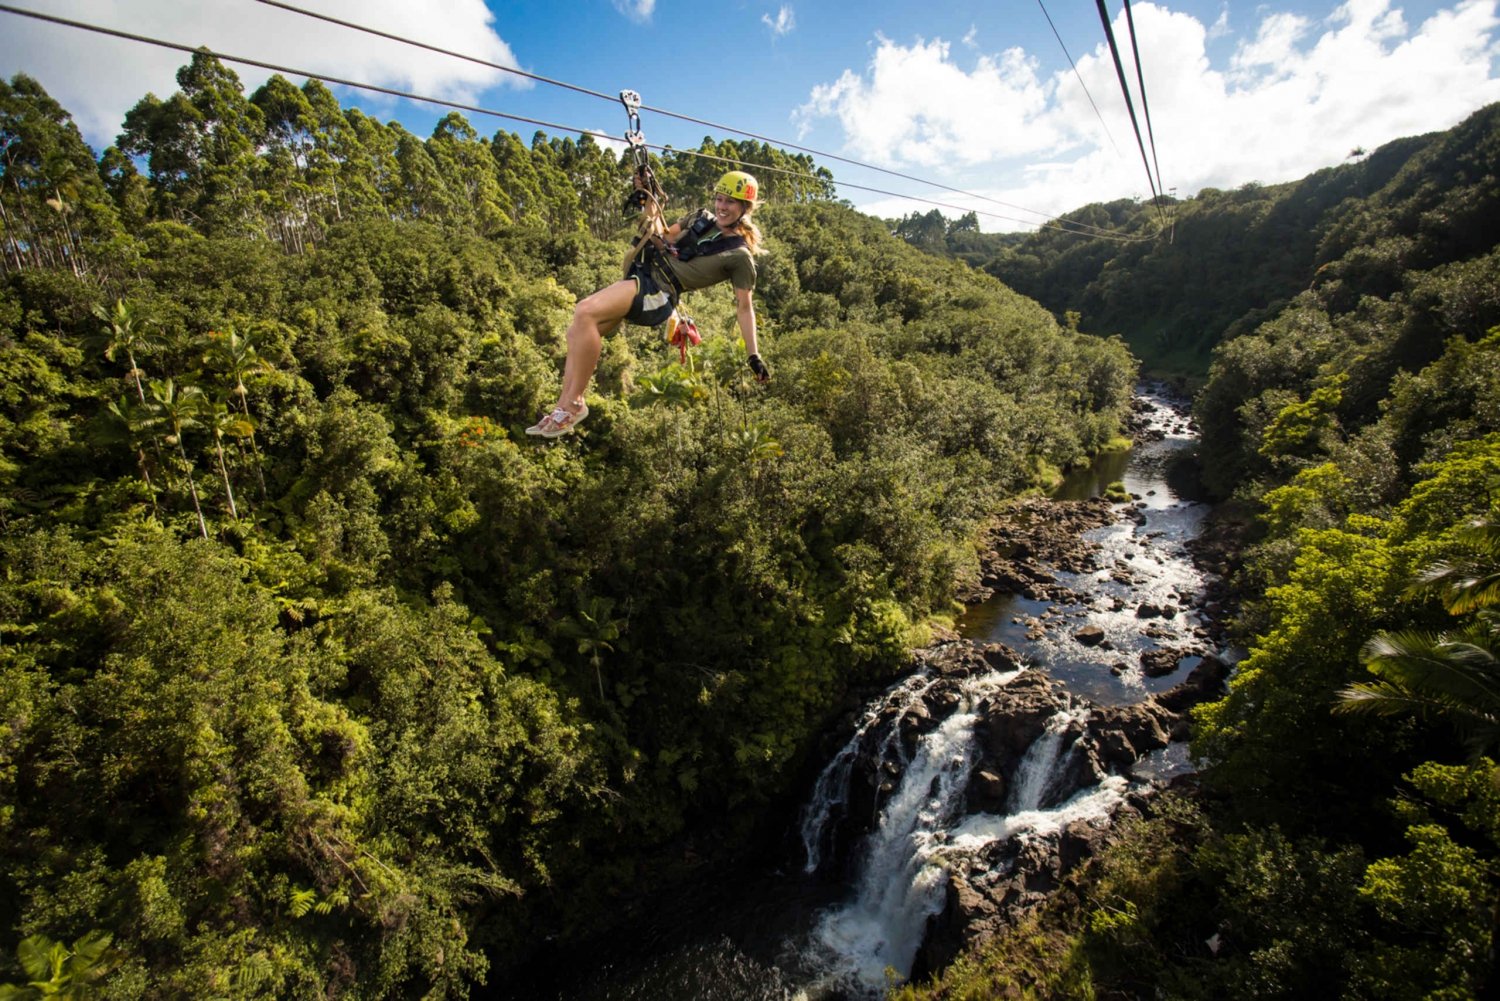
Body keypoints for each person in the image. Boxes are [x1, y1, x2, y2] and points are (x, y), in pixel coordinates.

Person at [526, 169, 771, 438]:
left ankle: (574, 403)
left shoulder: (739, 256)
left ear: (745, 207)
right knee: (578, 329)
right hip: (646, 271)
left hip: (660, 291)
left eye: (731, 202)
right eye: (720, 199)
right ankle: (563, 406)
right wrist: (648, 199)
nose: (722, 207)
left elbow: (744, 308)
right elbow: (664, 235)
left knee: (585, 311)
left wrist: (753, 356)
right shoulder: (700, 219)